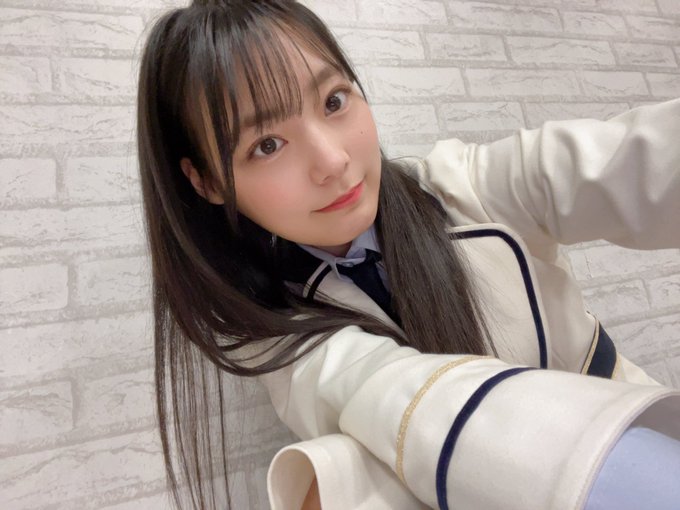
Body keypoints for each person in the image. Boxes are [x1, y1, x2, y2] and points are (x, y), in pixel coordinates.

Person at [136, 1, 680, 509]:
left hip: (638, 425)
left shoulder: (466, 187)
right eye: (267, 145)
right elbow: (383, 393)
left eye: (333, 101)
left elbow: (622, 163)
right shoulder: (269, 324)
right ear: (207, 181)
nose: (333, 160)